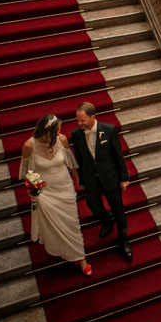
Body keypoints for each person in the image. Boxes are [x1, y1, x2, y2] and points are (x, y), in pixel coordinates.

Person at [20, 114, 91, 276]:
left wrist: (79, 180)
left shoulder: (62, 140)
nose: (60, 133)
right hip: (47, 192)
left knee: (72, 223)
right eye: (56, 131)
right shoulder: (29, 146)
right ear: (47, 132)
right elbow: (27, 172)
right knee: (56, 224)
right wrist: (34, 190)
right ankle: (66, 250)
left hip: (64, 187)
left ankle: (80, 256)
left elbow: (70, 163)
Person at [70, 102, 133, 261]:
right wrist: (82, 179)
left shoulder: (109, 130)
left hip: (109, 177)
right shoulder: (76, 134)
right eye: (77, 120)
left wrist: (124, 178)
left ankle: (123, 239)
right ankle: (106, 219)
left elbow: (118, 155)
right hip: (91, 179)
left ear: (92, 117)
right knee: (93, 205)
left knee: (118, 209)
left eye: (82, 120)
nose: (79, 124)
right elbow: (79, 158)